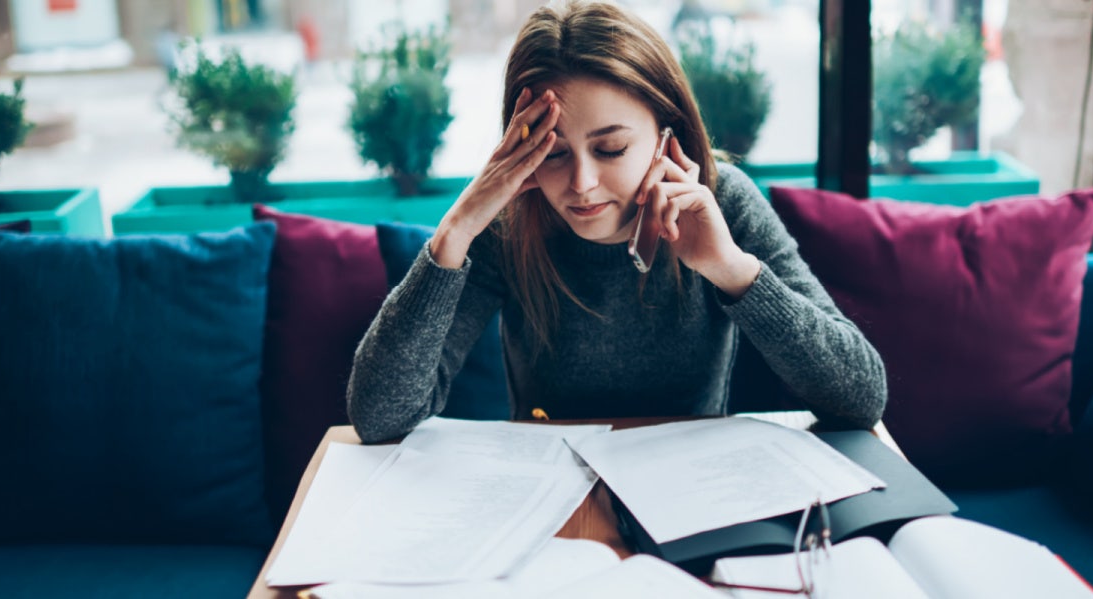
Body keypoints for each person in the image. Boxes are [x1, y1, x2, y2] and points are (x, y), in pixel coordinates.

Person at [347, 0, 886, 444]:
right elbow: (379, 418)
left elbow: (861, 397)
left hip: (693, 495)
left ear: (665, 137)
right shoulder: (512, 225)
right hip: (551, 503)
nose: (581, 183)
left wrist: (731, 270)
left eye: (611, 148)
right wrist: (456, 231)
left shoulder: (724, 203)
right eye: (554, 154)